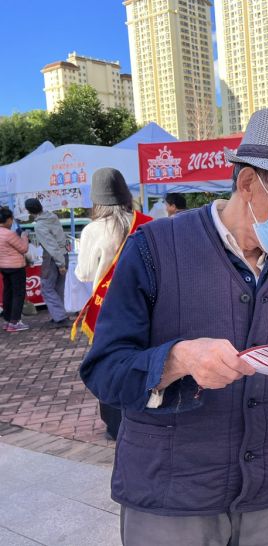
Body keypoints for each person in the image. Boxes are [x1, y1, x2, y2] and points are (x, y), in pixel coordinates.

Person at [79, 108, 268, 546]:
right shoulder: (155, 249)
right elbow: (105, 368)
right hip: (172, 494)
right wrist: (177, 359)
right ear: (248, 183)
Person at [75, 167, 134, 440]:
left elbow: (84, 274)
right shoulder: (145, 221)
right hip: (145, 304)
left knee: (109, 364)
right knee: (139, 360)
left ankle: (115, 424)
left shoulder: (93, 230)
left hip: (107, 308)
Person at [24, 198, 70, 327]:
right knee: (58, 287)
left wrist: (60, 264)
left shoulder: (39, 226)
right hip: (63, 254)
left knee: (47, 288)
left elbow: (51, 246)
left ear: (29, 211)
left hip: (52, 258)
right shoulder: (52, 216)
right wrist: (62, 262)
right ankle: (59, 315)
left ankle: (60, 317)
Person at [0, 207, 30, 332]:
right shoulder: (9, 234)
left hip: (3, 266)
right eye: (11, 219)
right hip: (16, 267)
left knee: (8, 292)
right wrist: (24, 237)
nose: (12, 222)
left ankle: (7, 320)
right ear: (8, 219)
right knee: (18, 294)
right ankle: (15, 322)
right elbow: (23, 248)